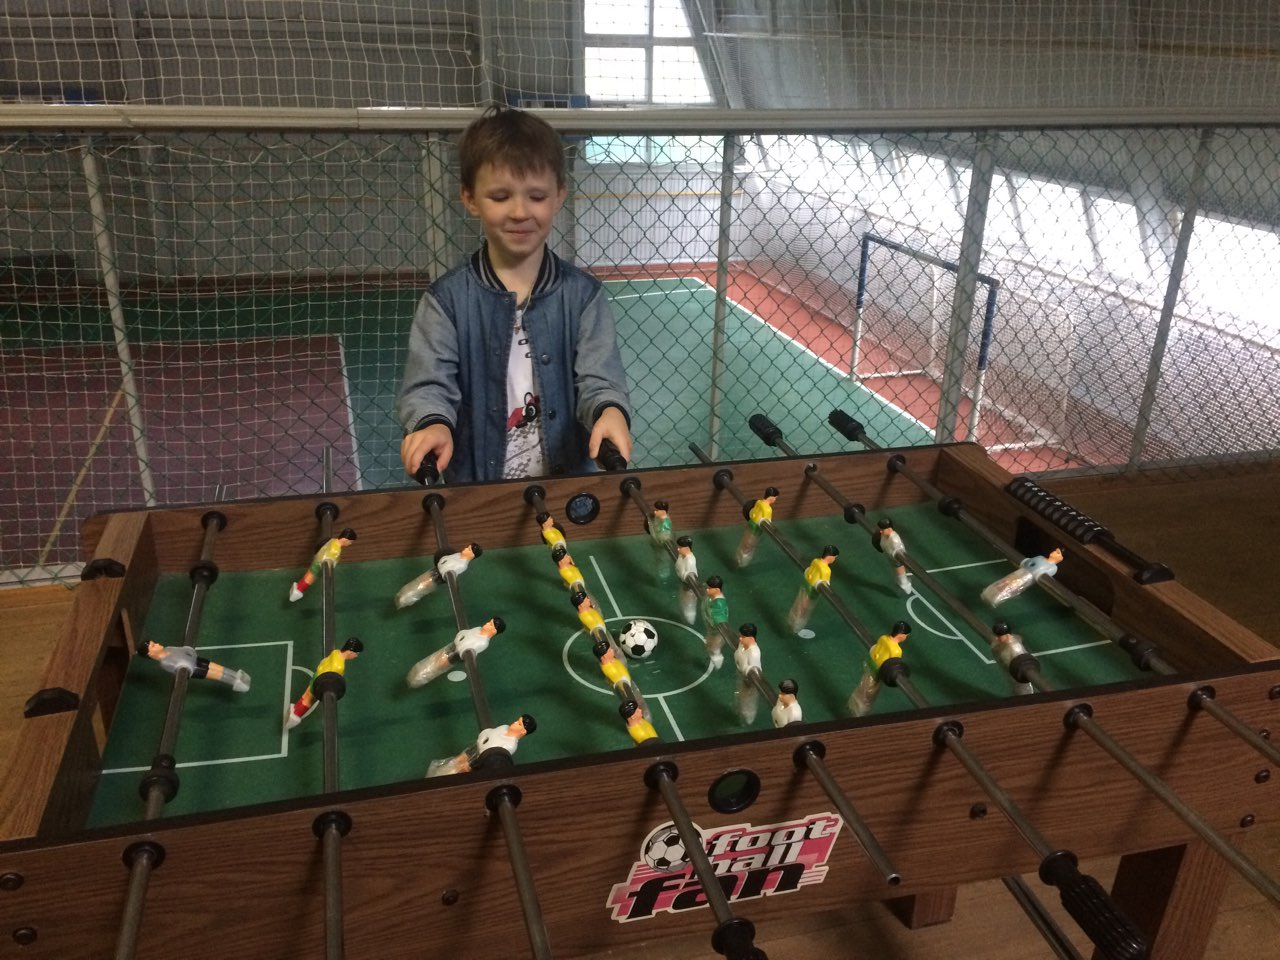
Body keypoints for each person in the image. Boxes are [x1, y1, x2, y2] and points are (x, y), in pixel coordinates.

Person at [396, 105, 632, 483]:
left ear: (558, 196)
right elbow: (429, 386)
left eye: (536, 196)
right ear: (470, 198)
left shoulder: (583, 297)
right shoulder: (446, 302)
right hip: (479, 492)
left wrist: (610, 412)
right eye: (500, 196)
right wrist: (433, 423)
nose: (520, 212)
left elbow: (599, 380)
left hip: (567, 490)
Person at [285, 638, 363, 730]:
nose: (356, 656)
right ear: (350, 652)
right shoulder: (339, 667)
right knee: (308, 702)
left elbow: (323, 662)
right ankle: (294, 716)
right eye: (356, 654)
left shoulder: (335, 652)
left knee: (306, 695)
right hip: (320, 683)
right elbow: (331, 681)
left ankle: (294, 709)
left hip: (316, 675)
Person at [406, 617, 506, 688]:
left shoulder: (483, 642)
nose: (487, 624)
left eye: (490, 624)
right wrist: (459, 640)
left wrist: (459, 641)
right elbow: (462, 633)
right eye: (489, 622)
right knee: (434, 658)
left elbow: (463, 647)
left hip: (455, 656)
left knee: (436, 667)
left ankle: (418, 679)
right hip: (452, 646)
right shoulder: (478, 629)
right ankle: (417, 671)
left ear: (494, 631)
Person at [427, 714, 537, 777]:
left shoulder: (510, 745)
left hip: (481, 759)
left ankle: (444, 779)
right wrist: (482, 740)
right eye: (517, 720)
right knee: (458, 760)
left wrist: (484, 741)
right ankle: (440, 771)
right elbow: (487, 732)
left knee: (463, 769)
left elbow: (489, 749)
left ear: (522, 732)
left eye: (519, 724)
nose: (514, 723)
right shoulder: (504, 727)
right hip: (475, 748)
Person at [137, 640, 251, 693]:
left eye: (154, 643)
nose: (157, 644)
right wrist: (186, 666)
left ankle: (237, 676)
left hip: (195, 659)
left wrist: (189, 650)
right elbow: (178, 668)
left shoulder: (168, 648)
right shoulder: (164, 663)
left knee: (219, 667)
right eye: (153, 646)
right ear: (150, 654)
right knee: (217, 674)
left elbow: (182, 649)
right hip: (194, 669)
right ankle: (237, 683)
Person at [849, 621, 910, 717]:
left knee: (863, 687)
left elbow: (875, 650)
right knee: (868, 694)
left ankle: (853, 705)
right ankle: (859, 713)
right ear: (901, 635)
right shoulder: (896, 651)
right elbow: (892, 666)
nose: (906, 637)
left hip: (870, 665)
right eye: (906, 635)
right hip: (877, 673)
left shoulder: (883, 638)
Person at [395, 542, 482, 609]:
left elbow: (447, 569)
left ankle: (405, 600)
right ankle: (402, 595)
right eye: (467, 547)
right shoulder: (458, 555)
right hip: (434, 570)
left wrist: (443, 566)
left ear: (472, 555)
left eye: (469, 550)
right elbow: (445, 559)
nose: (465, 549)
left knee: (421, 588)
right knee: (417, 582)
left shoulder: (462, 565)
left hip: (437, 578)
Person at [981, 547, 1065, 607]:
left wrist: (1034, 573)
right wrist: (1025, 563)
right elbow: (1028, 562)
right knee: (1005, 581)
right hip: (1022, 571)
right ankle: (988, 592)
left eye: (1057, 553)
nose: (1054, 552)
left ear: (1060, 558)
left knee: (1011, 587)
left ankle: (995, 599)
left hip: (1027, 578)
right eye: (1055, 550)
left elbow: (1042, 574)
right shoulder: (1040, 557)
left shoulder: (1053, 567)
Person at [289, 528, 357, 602]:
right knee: (309, 579)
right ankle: (298, 591)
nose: (350, 544)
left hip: (316, 562)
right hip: (318, 566)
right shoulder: (335, 550)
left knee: (308, 576)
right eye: (350, 542)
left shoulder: (333, 540)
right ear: (345, 539)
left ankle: (297, 589)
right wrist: (329, 572)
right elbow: (328, 561)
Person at [787, 545, 839, 635]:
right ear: (830, 557)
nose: (834, 559)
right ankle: (796, 627)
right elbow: (826, 585)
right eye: (835, 557)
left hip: (805, 585)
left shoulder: (815, 561)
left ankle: (791, 621)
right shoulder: (826, 571)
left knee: (799, 603)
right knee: (805, 609)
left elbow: (809, 571)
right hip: (812, 592)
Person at [735, 487, 779, 568]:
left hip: (751, 523)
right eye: (775, 498)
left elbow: (753, 512)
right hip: (757, 529)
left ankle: (739, 557)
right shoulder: (768, 510)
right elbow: (768, 522)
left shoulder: (759, 502)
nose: (775, 500)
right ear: (771, 497)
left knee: (746, 541)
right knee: (750, 544)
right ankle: (743, 560)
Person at [991, 621, 1036, 696]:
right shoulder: (1005, 641)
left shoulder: (1016, 649)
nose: (997, 638)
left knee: (1023, 689)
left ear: (1007, 634)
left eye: (1000, 635)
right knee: (1014, 686)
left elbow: (1021, 666)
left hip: (1018, 673)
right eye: (997, 635)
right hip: (1009, 670)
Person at [733, 623, 763, 725]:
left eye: (743, 637)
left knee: (747, 702)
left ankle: (747, 717)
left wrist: (747, 683)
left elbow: (754, 671)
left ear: (751, 638)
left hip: (748, 682)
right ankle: (741, 713)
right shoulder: (742, 645)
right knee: (740, 698)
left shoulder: (753, 653)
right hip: (741, 676)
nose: (740, 639)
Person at [873, 518, 913, 594]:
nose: (881, 531)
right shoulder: (884, 535)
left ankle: (905, 584)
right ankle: (903, 582)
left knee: (898, 566)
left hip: (896, 557)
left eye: (882, 529)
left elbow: (899, 550)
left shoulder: (895, 540)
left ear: (889, 529)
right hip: (890, 555)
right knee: (897, 567)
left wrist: (895, 554)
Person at [702, 575, 729, 669]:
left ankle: (718, 663)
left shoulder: (718, 604)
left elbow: (720, 622)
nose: (707, 590)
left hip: (716, 631)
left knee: (714, 647)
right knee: (709, 645)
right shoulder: (711, 597)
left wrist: (715, 634)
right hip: (711, 628)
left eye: (709, 588)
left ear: (717, 590)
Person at [674, 535, 699, 625]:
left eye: (680, 547)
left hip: (689, 587)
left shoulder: (690, 560)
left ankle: (690, 621)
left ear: (687, 548)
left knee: (689, 604)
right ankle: (684, 618)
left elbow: (690, 575)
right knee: (683, 601)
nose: (678, 549)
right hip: (683, 583)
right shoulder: (682, 556)